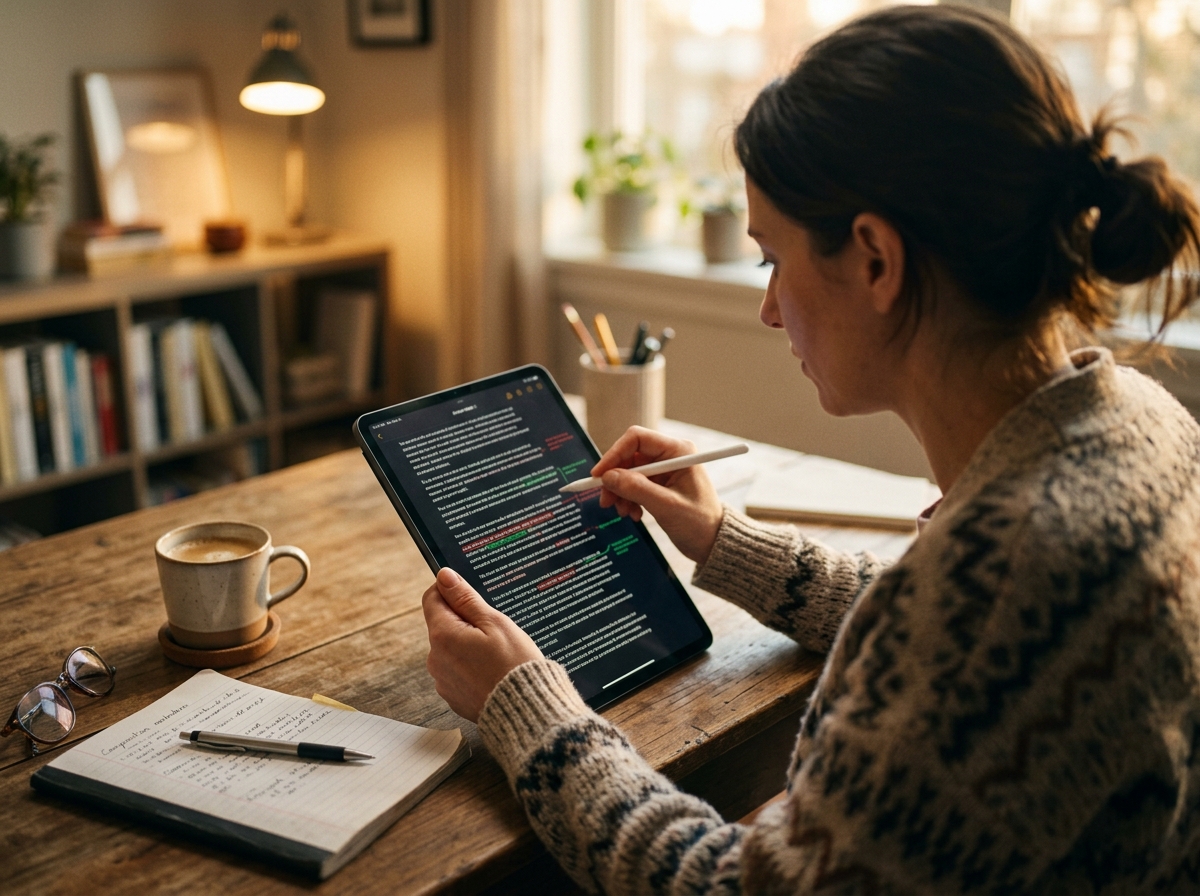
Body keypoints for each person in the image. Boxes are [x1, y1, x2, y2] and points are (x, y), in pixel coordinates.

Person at [422, 5, 1200, 892]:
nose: (767, 308)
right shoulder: (1140, 421)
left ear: (875, 260)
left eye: (771, 260)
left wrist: (526, 708)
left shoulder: (1013, 577)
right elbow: (948, 650)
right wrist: (728, 542)